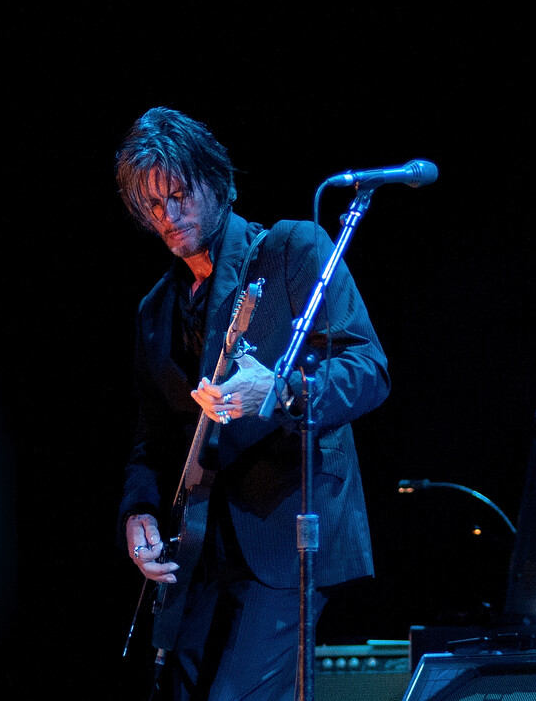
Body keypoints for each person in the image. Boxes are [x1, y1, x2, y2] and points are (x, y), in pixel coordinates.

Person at [115, 107, 390, 700]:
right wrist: (137, 511)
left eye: (180, 194)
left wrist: (284, 390)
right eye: (153, 206)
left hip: (286, 536)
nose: (170, 215)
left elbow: (369, 370)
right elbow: (152, 438)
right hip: (198, 550)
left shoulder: (291, 251)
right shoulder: (153, 312)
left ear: (217, 181)